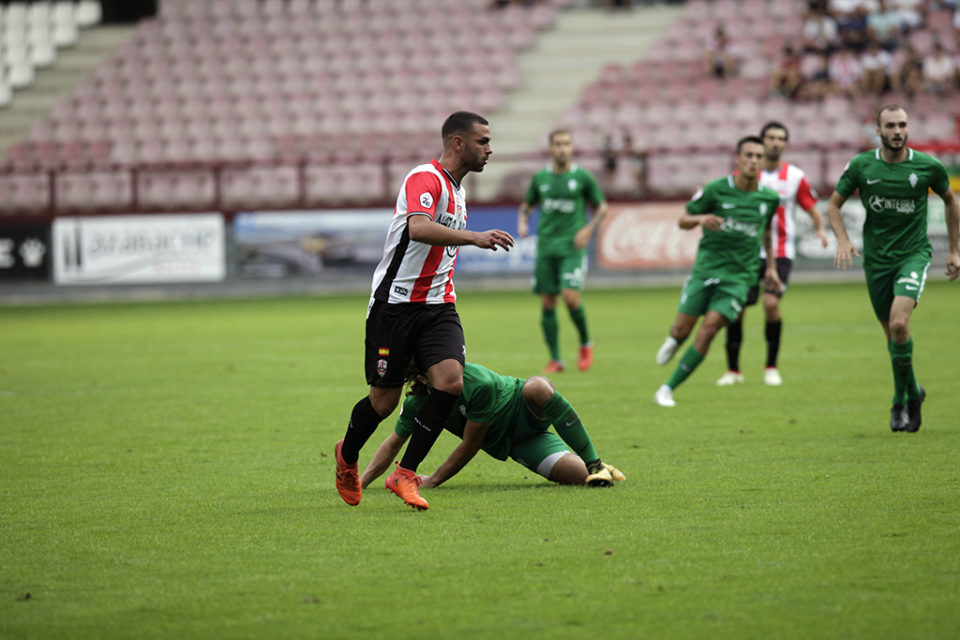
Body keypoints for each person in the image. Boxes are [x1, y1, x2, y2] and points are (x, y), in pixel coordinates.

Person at [335, 111, 515, 511]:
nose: (489, 149)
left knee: (450, 382)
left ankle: (405, 473)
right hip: (395, 305)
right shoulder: (424, 178)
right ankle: (347, 456)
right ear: (458, 143)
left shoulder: (459, 191)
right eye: (483, 141)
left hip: (438, 305)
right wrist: (474, 237)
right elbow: (417, 228)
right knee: (383, 403)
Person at [826, 104, 960, 432]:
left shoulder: (927, 166)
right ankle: (911, 391)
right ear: (878, 131)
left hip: (913, 255)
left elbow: (950, 200)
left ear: (908, 128)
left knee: (900, 323)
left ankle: (902, 401)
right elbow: (833, 205)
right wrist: (842, 239)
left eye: (902, 125)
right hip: (876, 261)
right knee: (892, 335)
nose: (897, 131)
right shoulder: (862, 165)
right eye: (890, 126)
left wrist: (954, 249)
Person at [654, 136, 781, 407]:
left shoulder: (769, 198)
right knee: (682, 328)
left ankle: (667, 389)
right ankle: (675, 339)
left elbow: (767, 232)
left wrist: (771, 267)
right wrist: (701, 218)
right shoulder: (715, 190)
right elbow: (683, 220)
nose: (753, 161)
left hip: (740, 278)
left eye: (758, 156)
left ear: (764, 161)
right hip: (706, 270)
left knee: (710, 328)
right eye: (748, 155)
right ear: (737, 159)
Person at [359, 362, 626, 490]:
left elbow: (472, 443)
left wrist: (434, 480)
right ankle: (601, 468)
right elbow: (393, 444)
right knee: (581, 480)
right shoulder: (418, 404)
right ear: (423, 379)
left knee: (538, 387)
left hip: (524, 407)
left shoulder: (478, 384)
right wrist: (361, 482)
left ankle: (593, 461)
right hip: (516, 443)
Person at [718, 122, 829, 387]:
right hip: (746, 251)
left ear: (786, 144)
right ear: (762, 141)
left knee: (770, 304)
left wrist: (821, 229)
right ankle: (733, 370)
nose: (775, 143)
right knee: (737, 309)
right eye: (771, 138)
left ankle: (771, 366)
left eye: (780, 138)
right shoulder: (745, 175)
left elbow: (811, 207)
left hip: (780, 251)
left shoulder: (795, 177)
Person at [517, 128, 608, 374]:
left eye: (566, 144)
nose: (562, 149)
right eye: (557, 144)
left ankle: (585, 343)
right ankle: (556, 359)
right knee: (548, 301)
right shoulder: (540, 178)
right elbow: (527, 205)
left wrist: (588, 230)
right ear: (550, 148)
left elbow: (601, 207)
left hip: (572, 247)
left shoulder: (583, 177)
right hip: (546, 247)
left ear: (572, 147)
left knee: (570, 297)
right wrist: (523, 222)